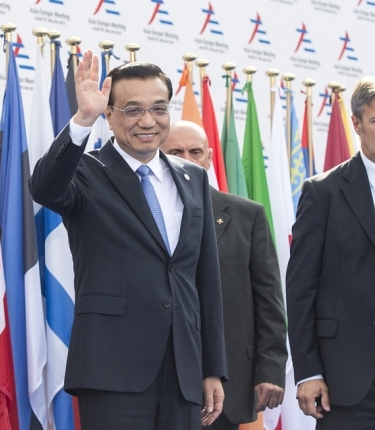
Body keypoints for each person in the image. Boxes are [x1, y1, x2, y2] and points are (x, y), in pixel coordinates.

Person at [29, 51, 228, 429]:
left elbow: (206, 279)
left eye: (158, 108)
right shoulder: (85, 171)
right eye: (133, 110)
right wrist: (82, 120)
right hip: (112, 370)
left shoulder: (194, 178)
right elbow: (44, 188)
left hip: (183, 370)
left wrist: (212, 367)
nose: (147, 121)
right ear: (109, 115)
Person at [161, 120, 287, 430]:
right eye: (176, 152)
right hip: (162, 381)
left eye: (195, 152)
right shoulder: (146, 215)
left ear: (209, 157)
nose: (187, 159)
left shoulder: (247, 215)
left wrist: (270, 370)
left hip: (228, 383)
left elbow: (269, 302)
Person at [287, 76, 375, 428]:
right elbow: (301, 289)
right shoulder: (322, 192)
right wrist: (308, 371)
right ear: (356, 123)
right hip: (348, 382)